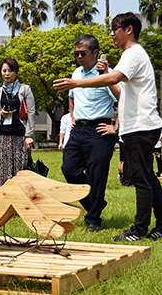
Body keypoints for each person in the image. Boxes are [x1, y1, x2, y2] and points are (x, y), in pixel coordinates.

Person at [54, 12, 162, 242]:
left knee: (140, 179)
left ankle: (139, 230)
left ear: (129, 29)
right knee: (148, 178)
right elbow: (119, 88)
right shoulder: (129, 55)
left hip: (140, 126)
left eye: (115, 28)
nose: (112, 33)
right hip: (134, 126)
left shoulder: (133, 53)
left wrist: (76, 83)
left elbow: (113, 81)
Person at [59, 34, 118, 233]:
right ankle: (96, 203)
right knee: (69, 169)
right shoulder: (76, 73)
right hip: (79, 129)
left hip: (100, 130)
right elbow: (72, 96)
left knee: (97, 174)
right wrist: (73, 116)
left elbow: (123, 98)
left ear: (94, 53)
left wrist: (115, 127)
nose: (79, 56)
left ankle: (93, 218)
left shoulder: (106, 75)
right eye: (76, 53)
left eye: (83, 53)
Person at [0, 58, 35, 188]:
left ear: (16, 72)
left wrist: (29, 135)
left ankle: (21, 202)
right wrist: (1, 115)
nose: (7, 74)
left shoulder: (25, 90)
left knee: (20, 171)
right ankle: (0, 201)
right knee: (0, 172)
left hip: (20, 136)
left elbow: (31, 113)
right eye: (4, 71)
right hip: (2, 137)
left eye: (10, 71)